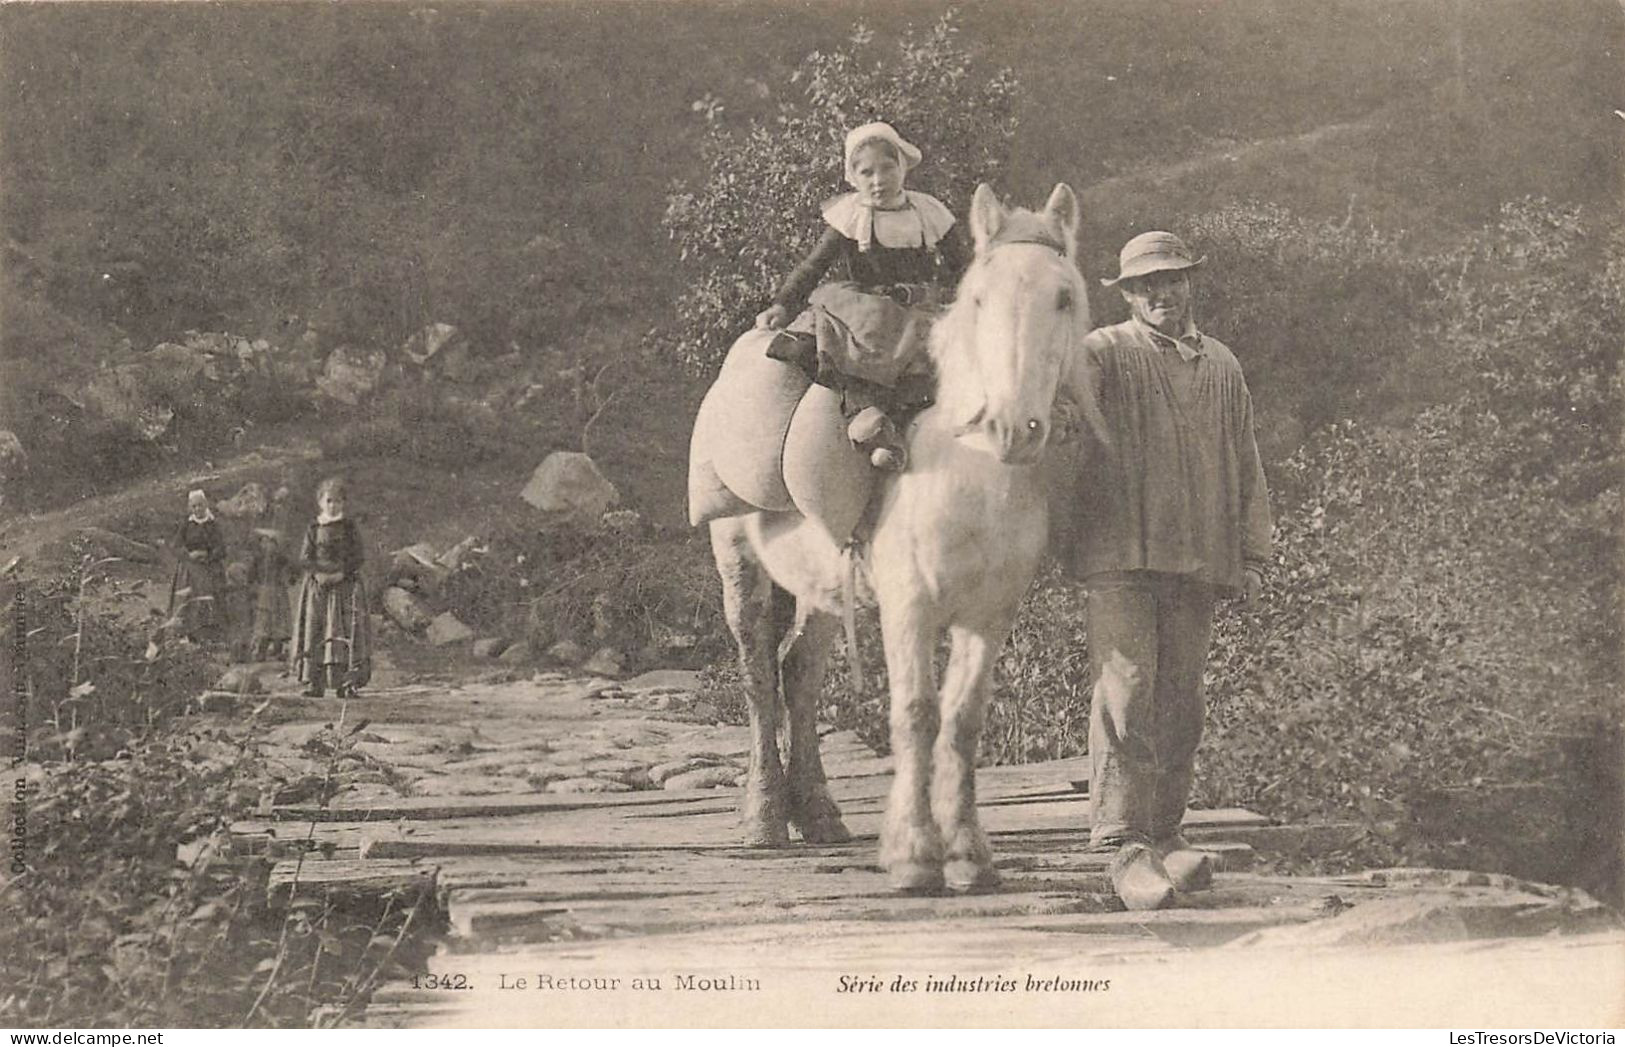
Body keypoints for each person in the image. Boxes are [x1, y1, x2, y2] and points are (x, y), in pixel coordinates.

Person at [1058, 231, 1273, 911]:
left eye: (1172, 280)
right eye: (1146, 285)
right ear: (1125, 294)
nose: (1161, 294)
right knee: (1126, 689)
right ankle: (1120, 842)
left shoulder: (1223, 364)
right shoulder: (1102, 352)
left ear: (1190, 284)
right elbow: (1064, 417)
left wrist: (1252, 547)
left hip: (1197, 553)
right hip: (1118, 550)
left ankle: (1166, 829)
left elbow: (1244, 456)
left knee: (1182, 696)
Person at [755, 121, 972, 471]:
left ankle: (919, 430)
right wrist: (782, 303)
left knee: (937, 350)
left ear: (903, 168)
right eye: (866, 172)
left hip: (917, 306)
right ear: (853, 177)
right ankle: (870, 424)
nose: (878, 180)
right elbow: (814, 266)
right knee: (844, 342)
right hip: (865, 307)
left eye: (888, 168)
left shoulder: (929, 213)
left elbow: (964, 268)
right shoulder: (852, 215)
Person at [290, 477, 371, 698]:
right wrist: (318, 574)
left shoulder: (349, 527)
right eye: (328, 501)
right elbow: (305, 557)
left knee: (346, 631)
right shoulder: (314, 527)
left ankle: (346, 684)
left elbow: (358, 556)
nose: (332, 505)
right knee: (315, 631)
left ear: (344, 502)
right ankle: (314, 683)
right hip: (318, 587)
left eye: (337, 501)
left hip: (345, 587)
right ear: (320, 502)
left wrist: (341, 573)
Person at [164, 489, 227, 642]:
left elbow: (221, 548)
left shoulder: (213, 524)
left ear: (205, 505)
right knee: (187, 596)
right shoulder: (187, 524)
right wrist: (188, 555)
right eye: (193, 506)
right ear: (190, 508)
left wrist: (208, 555)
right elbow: (176, 546)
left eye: (200, 505)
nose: (197, 509)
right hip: (190, 568)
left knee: (210, 595)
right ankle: (188, 633)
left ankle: (209, 634)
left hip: (209, 566)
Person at [248, 528, 294, 661]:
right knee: (264, 621)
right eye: (264, 542)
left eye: (271, 543)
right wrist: (253, 586)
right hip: (264, 591)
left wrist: (289, 578)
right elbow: (251, 576)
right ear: (261, 544)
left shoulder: (281, 559)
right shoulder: (257, 559)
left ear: (276, 545)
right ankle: (261, 650)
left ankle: (278, 649)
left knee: (279, 620)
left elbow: (292, 570)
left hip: (279, 591)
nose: (267, 546)